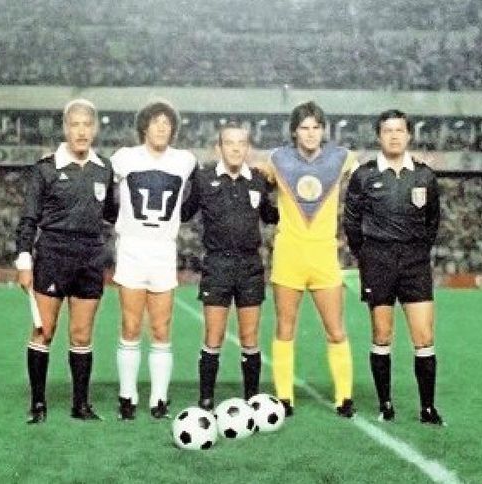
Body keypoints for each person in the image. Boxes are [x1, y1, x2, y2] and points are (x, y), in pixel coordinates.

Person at [14, 98, 117, 424]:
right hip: (53, 254)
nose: (81, 131)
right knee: (44, 331)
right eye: (75, 125)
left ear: (95, 129)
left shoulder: (105, 169)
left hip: (90, 258)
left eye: (87, 124)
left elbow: (112, 214)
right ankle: (38, 403)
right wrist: (24, 261)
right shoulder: (45, 168)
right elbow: (28, 218)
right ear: (65, 128)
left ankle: (80, 405)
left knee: (82, 335)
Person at [343, 109, 443, 425]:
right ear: (379, 136)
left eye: (400, 130)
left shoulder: (424, 176)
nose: (394, 136)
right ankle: (385, 405)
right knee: (382, 334)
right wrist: (367, 255)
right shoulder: (364, 175)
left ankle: (427, 409)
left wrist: (417, 250)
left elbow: (433, 221)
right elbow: (351, 222)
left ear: (409, 135)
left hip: (414, 262)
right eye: (388, 130)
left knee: (424, 336)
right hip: (378, 261)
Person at [259, 101, 357, 418]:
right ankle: (284, 398)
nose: (311, 133)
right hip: (289, 255)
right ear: (294, 131)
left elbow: (367, 179)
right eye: (304, 127)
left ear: (323, 130)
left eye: (316, 127)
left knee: (336, 330)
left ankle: (345, 397)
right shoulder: (277, 159)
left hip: (324, 256)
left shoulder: (342, 158)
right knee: (285, 328)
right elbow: (258, 182)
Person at [181, 121, 278, 410]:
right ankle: (206, 400)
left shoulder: (258, 180)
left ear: (248, 148)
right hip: (217, 264)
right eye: (229, 143)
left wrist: (284, 186)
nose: (235, 148)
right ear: (218, 148)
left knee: (250, 337)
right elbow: (183, 213)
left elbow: (271, 216)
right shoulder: (203, 179)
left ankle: (252, 399)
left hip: (250, 265)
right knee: (214, 335)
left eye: (241, 143)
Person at [111, 100, 197, 420]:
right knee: (131, 325)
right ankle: (127, 395)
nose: (162, 127)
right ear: (144, 127)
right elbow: (102, 188)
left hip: (163, 249)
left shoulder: (185, 160)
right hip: (132, 248)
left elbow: (199, 193)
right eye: (155, 122)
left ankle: (159, 397)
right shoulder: (124, 157)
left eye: (167, 123)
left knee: (161, 328)